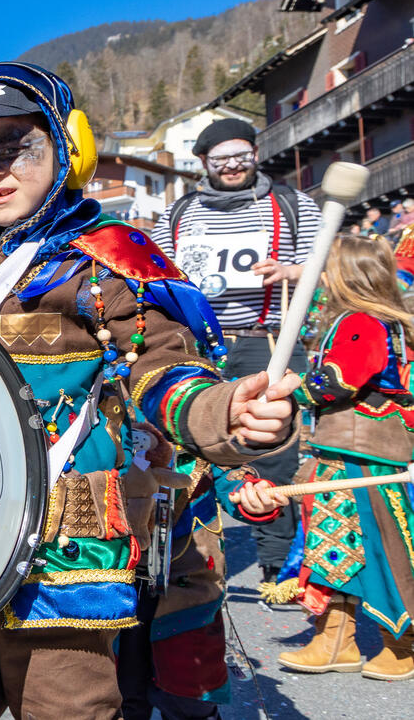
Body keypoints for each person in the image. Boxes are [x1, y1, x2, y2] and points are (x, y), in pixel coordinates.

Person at [0, 62, 301, 719]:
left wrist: (225, 412)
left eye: (12, 146)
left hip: (63, 553)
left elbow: (160, 370)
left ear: (67, 144)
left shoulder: (111, 262)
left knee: (67, 709)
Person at [151, 117, 322, 597]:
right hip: (199, 339)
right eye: (220, 160)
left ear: (255, 154)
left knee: (268, 445)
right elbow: (155, 268)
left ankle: (276, 563)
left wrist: (290, 269)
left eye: (241, 157)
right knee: (188, 440)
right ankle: (189, 555)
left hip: (263, 338)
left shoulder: (290, 205)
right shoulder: (180, 212)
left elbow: (329, 261)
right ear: (203, 163)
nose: (231, 167)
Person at [246, 235, 414, 681]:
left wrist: (288, 390)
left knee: (383, 549)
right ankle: (335, 638)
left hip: (365, 456)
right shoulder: (362, 318)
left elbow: (340, 378)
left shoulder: (365, 320)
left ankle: (403, 641)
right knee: (334, 550)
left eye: (325, 269)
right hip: (341, 452)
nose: (320, 278)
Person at [118, 420, 282, 719]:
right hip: (118, 573)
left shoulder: (196, 407)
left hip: (189, 578)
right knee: (120, 690)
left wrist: (252, 494)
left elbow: (230, 471)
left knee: (187, 691)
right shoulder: (107, 397)